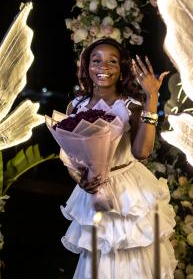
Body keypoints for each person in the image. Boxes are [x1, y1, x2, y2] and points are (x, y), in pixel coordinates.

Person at [59, 37, 177, 278]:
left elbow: (142, 152)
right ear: (87, 66)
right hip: (92, 191)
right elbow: (69, 155)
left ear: (122, 68)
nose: (103, 67)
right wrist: (79, 178)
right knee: (99, 258)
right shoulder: (76, 105)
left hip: (128, 190)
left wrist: (152, 97)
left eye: (112, 61)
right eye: (96, 60)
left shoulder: (131, 104)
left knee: (131, 255)